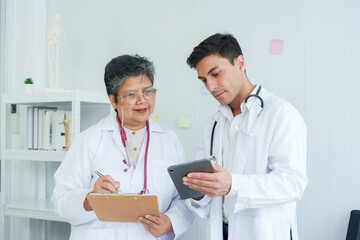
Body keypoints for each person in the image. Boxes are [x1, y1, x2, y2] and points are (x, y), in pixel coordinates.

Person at [52, 54, 194, 240]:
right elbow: (61, 200)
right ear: (113, 100)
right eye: (131, 94)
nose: (142, 100)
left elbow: (185, 198)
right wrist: (91, 198)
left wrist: (171, 221)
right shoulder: (89, 139)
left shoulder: (170, 141)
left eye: (148, 91)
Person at [182, 33, 307, 240]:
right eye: (204, 80)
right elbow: (205, 200)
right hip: (221, 232)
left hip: (265, 233)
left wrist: (233, 184)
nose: (210, 87)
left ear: (240, 63)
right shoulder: (212, 124)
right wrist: (199, 189)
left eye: (216, 74)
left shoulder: (281, 114)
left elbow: (292, 183)